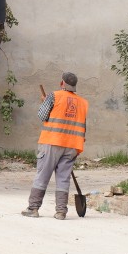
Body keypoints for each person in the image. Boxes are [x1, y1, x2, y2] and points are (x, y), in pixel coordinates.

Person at [22, 72, 89, 220]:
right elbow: (82, 126)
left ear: (62, 83)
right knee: (63, 178)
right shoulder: (83, 102)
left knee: (43, 175)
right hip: (72, 146)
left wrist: (45, 103)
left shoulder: (54, 96)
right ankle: (61, 212)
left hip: (52, 142)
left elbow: (42, 116)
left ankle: (33, 208)